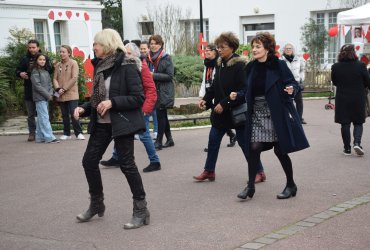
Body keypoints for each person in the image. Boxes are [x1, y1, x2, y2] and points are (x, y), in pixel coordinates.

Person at [73, 29, 150, 229]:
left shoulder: (127, 66)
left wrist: (112, 103)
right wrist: (85, 107)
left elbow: (138, 98)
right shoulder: (101, 66)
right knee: (89, 161)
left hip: (122, 123)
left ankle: (141, 210)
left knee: (127, 165)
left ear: (107, 44)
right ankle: (97, 203)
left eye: (96, 44)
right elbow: (99, 99)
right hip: (101, 123)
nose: (94, 47)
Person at [230, 32, 309, 200]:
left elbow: (292, 83)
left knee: (280, 150)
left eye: (258, 46)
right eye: (253, 47)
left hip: (276, 113)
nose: (254, 49)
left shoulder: (278, 65)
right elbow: (247, 89)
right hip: (257, 114)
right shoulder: (250, 67)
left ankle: (291, 184)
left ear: (267, 48)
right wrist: (238, 94)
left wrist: (291, 89)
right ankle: (250, 187)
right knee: (254, 148)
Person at [193, 32, 264, 182]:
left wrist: (225, 104)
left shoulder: (240, 65)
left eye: (222, 47)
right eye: (218, 47)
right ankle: (209, 171)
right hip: (220, 113)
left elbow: (243, 91)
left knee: (244, 144)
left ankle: (259, 171)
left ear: (232, 48)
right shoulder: (220, 63)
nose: (219, 49)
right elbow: (214, 86)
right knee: (213, 141)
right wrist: (205, 99)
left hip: (236, 112)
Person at [100, 42, 162, 172]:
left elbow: (151, 90)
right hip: (128, 107)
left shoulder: (141, 67)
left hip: (139, 108)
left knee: (144, 135)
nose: (125, 55)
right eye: (124, 52)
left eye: (128, 53)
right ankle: (116, 157)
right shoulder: (123, 67)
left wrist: (146, 109)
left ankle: (155, 161)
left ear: (135, 54)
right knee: (120, 131)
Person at [331, 44, 370, 156]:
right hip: (358, 97)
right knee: (358, 122)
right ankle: (357, 143)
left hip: (342, 98)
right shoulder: (361, 65)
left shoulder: (335, 66)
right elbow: (368, 81)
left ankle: (347, 148)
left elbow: (335, 82)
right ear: (354, 52)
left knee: (345, 123)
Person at [199, 43, 237, 153]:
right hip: (209, 94)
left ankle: (216, 143)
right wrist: (203, 95)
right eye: (205, 51)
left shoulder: (218, 63)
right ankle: (231, 135)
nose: (206, 53)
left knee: (215, 118)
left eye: (209, 51)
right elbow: (204, 80)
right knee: (217, 119)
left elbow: (217, 82)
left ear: (214, 52)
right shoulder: (206, 64)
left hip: (218, 96)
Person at [16, 39, 53, 142]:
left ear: (38, 47)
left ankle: (41, 135)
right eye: (30, 47)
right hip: (29, 90)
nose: (31, 49)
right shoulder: (24, 59)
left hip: (42, 91)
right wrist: (20, 74)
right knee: (31, 114)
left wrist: (51, 64)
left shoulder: (44, 58)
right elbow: (17, 70)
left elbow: (50, 70)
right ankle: (32, 133)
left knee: (43, 114)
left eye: (33, 47)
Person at [147, 35, 175, 150]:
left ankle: (159, 141)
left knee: (160, 114)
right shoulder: (148, 58)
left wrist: (153, 75)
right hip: (153, 90)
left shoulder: (166, 58)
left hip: (164, 91)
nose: (153, 45)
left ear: (160, 45)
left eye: (156, 43)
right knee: (162, 115)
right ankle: (169, 139)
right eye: (151, 43)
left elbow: (169, 76)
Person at [53, 45, 85, 140]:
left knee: (74, 113)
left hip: (71, 93)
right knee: (64, 114)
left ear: (69, 53)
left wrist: (64, 88)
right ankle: (66, 133)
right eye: (60, 52)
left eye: (63, 52)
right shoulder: (58, 65)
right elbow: (54, 78)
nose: (61, 54)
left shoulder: (73, 63)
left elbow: (74, 78)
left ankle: (78, 133)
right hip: (60, 93)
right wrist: (58, 89)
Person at [30, 53, 59, 144]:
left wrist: (50, 94)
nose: (42, 61)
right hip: (40, 98)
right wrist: (48, 95)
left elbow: (50, 84)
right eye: (40, 59)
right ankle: (49, 137)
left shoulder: (45, 71)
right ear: (36, 61)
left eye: (44, 60)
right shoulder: (35, 71)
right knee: (44, 117)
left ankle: (40, 137)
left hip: (46, 97)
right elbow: (37, 86)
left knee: (41, 117)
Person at [281, 43, 306, 124]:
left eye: (290, 48)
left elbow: (302, 70)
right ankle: (286, 118)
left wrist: (301, 79)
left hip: (296, 82)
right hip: (285, 83)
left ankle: (299, 118)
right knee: (286, 101)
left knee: (299, 101)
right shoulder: (281, 60)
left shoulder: (298, 59)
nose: (288, 50)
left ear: (293, 50)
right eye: (286, 48)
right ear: (284, 50)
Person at [141, 41, 158, 139]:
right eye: (141, 48)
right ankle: (145, 131)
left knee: (154, 111)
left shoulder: (152, 60)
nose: (143, 50)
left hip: (153, 88)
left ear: (148, 49)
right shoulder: (140, 59)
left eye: (144, 48)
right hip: (143, 90)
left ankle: (156, 131)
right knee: (145, 112)